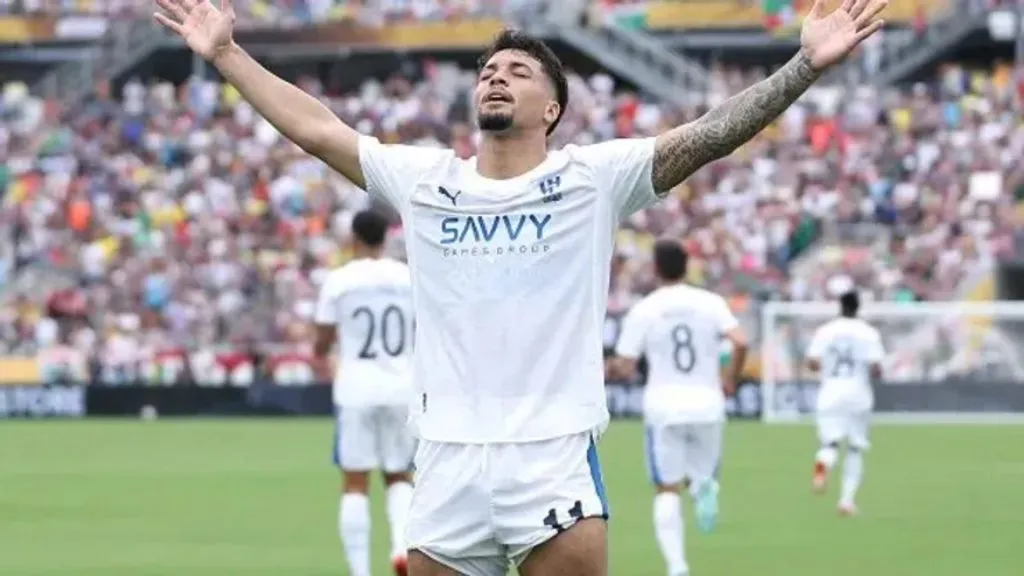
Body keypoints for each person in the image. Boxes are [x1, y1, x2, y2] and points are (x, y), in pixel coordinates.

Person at [154, 0, 888, 572]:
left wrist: (803, 67)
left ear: (552, 110)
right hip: (444, 456)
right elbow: (317, 130)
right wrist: (226, 54)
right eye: (487, 71)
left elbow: (712, 133)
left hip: (553, 454)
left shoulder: (592, 179)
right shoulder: (426, 180)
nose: (495, 76)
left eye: (517, 72)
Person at [611, 239, 747, 576]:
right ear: (687, 266)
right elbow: (741, 341)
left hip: (664, 407)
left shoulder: (646, 308)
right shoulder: (711, 302)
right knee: (700, 477)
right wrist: (730, 378)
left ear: (656, 269)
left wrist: (613, 368)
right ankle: (703, 486)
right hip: (708, 403)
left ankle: (677, 566)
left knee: (666, 489)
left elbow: (625, 365)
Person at [313, 210, 416, 576]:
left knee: (355, 481)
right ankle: (402, 547)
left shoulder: (339, 281)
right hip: (402, 385)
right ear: (385, 238)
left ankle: (360, 571)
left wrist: (322, 357)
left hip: (357, 387)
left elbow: (322, 341)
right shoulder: (408, 277)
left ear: (353, 238)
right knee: (400, 476)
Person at [804, 290, 884, 516]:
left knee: (829, 444)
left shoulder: (826, 331)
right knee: (856, 448)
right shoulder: (868, 332)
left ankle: (822, 468)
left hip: (830, 393)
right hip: (858, 394)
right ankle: (846, 501)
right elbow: (876, 367)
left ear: (839, 306)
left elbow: (812, 362)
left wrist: (824, 369)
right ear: (858, 307)